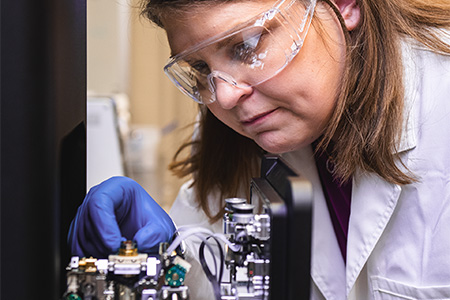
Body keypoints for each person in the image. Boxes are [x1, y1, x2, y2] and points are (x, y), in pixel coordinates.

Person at [68, 0, 450, 299]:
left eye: (246, 46)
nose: (225, 95)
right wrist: (162, 254)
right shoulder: (249, 128)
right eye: (201, 68)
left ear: (343, 4)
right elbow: (216, 271)